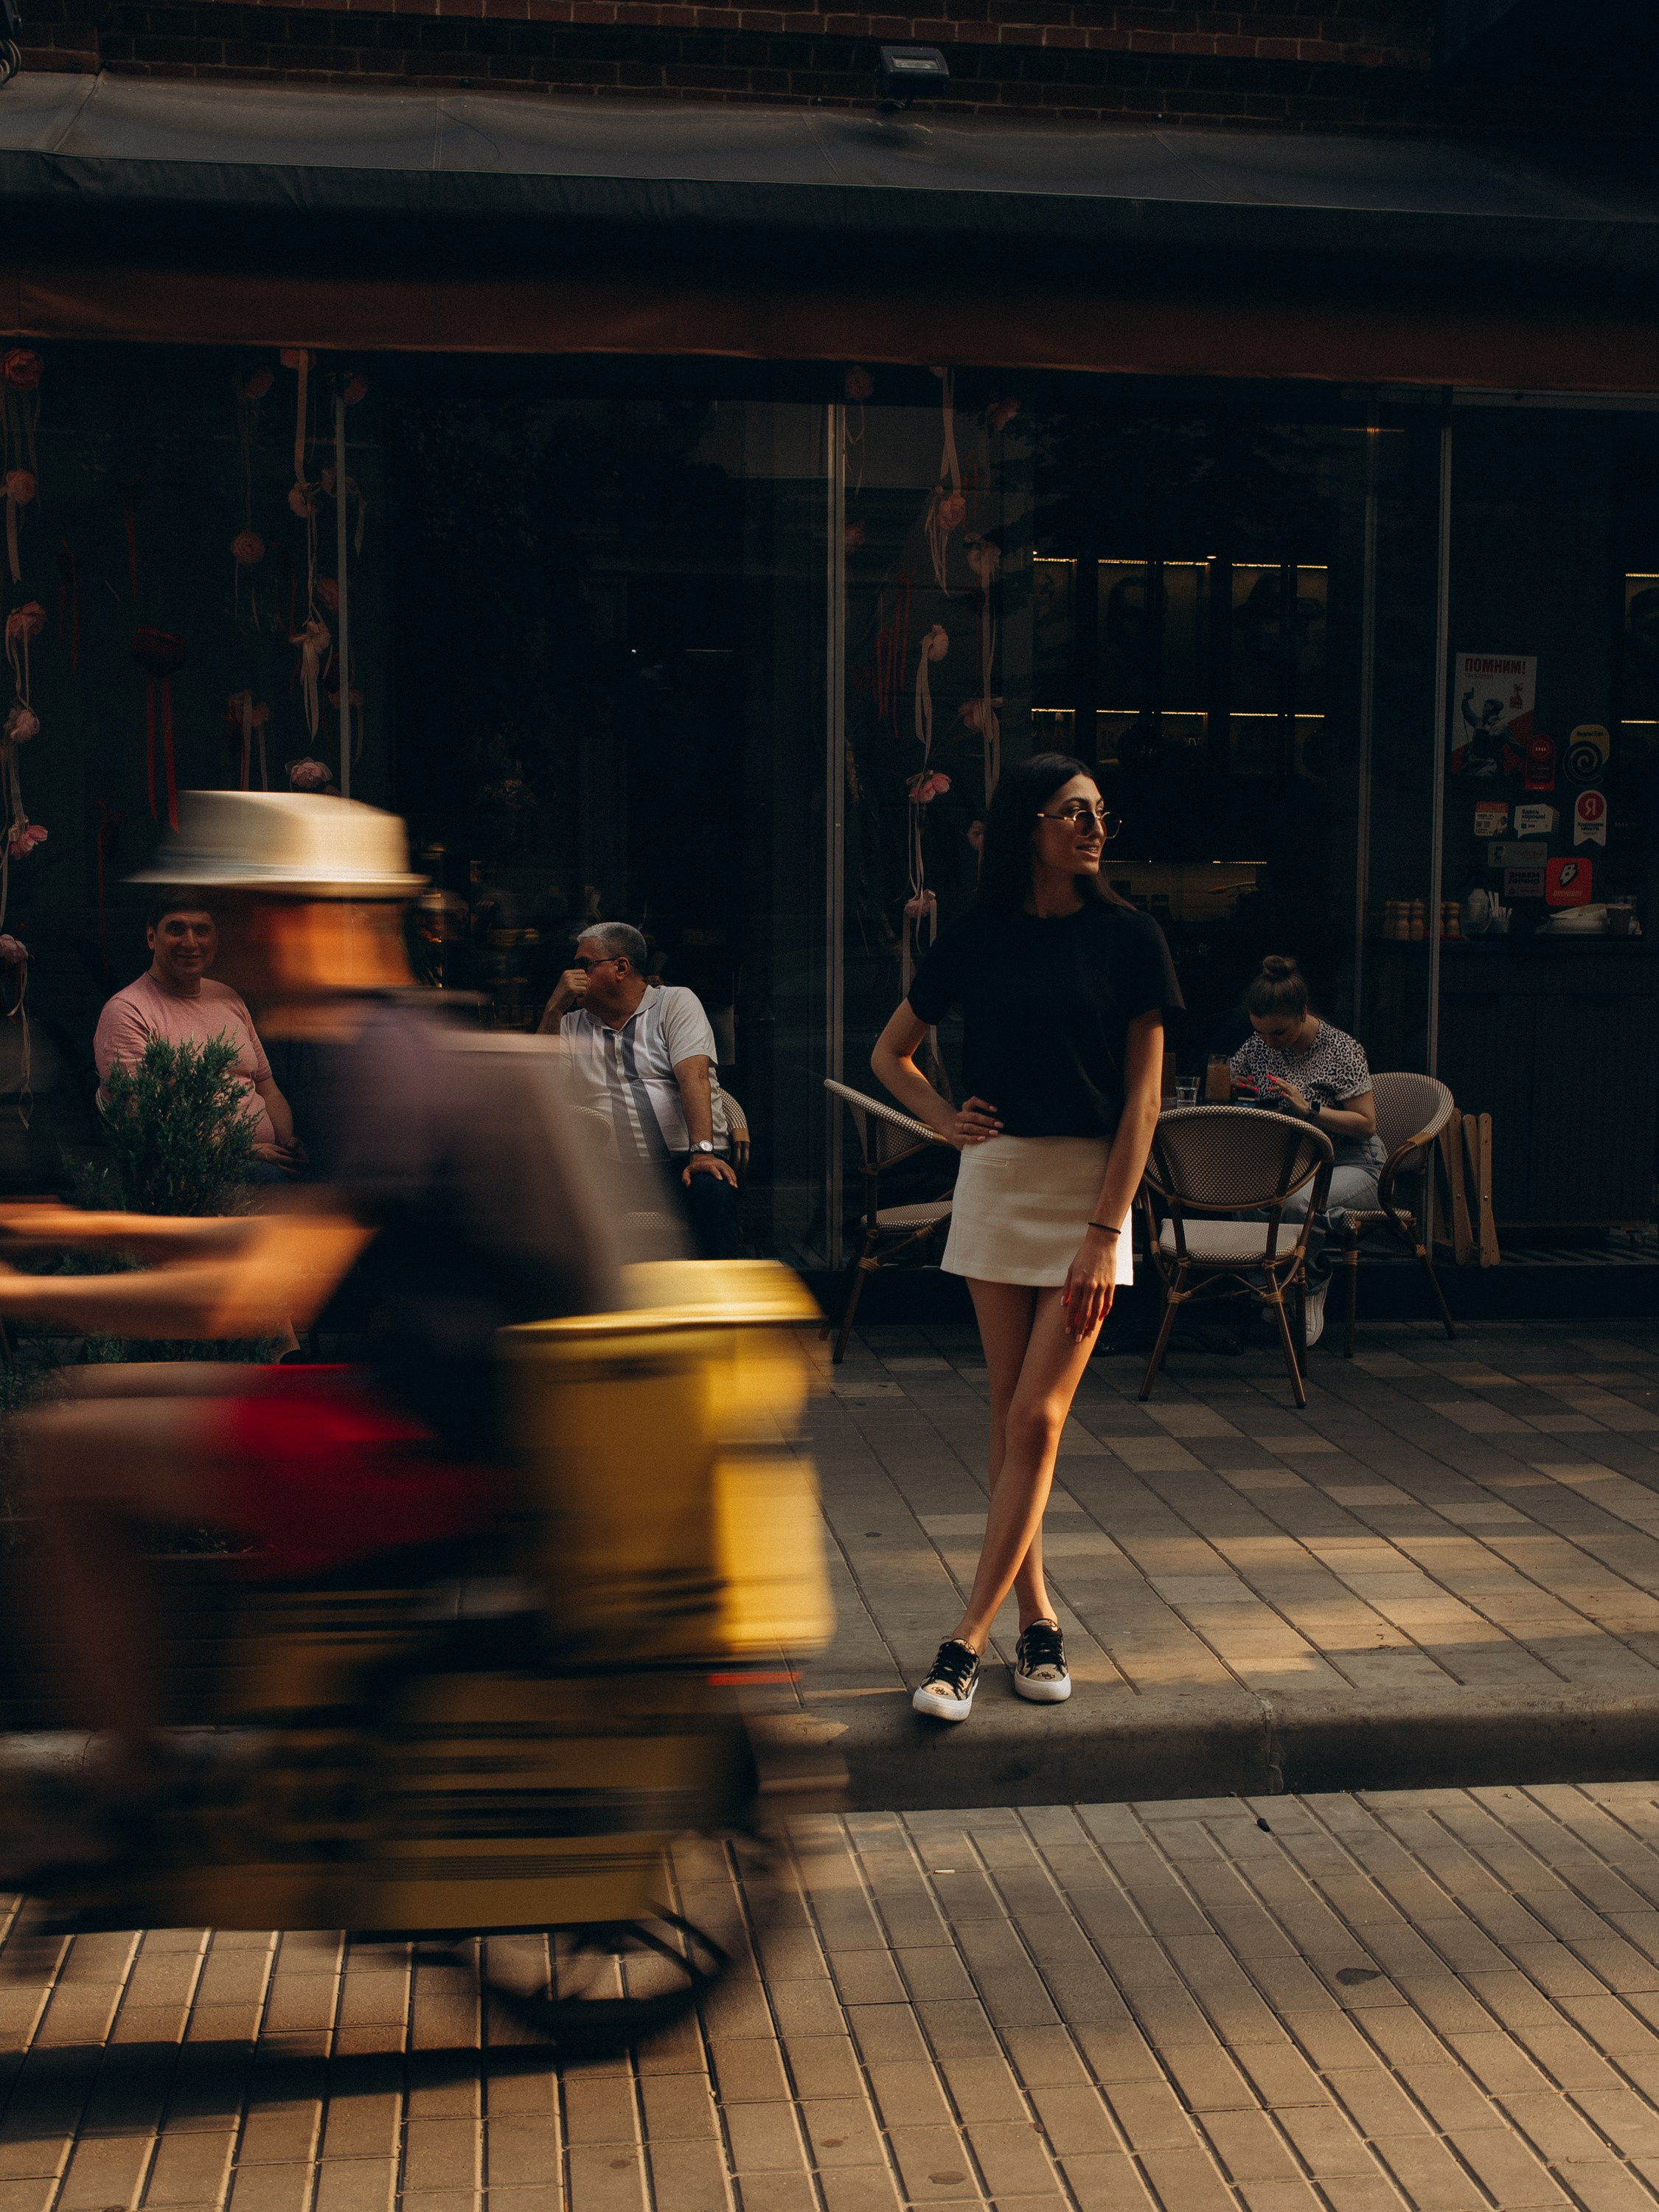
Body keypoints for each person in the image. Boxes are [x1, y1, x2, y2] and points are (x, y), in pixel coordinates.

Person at [0, 791, 619, 1877]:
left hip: (424, 1442)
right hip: (423, 1407)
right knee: (88, 1419)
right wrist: (86, 1229)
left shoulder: (378, 1057)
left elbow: (246, 1296)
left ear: (322, 915)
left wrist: (31, 1295)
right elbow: (281, 1248)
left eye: (254, 912)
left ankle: (136, 1778)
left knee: (70, 1446)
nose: (237, 938)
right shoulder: (380, 1039)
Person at [871, 754, 1181, 1724]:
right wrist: (938, 1117)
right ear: (1028, 829)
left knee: (1037, 1420)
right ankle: (1037, 1619)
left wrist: (1103, 1232)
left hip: (1090, 1193)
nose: (1091, 827)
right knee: (1013, 1420)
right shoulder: (977, 937)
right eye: (1071, 812)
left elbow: (1143, 1102)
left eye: (1099, 813)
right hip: (999, 1181)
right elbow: (890, 1052)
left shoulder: (1131, 938)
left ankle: (962, 1642)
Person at [537, 921, 740, 1262]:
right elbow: (543, 1087)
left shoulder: (675, 1003)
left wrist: (702, 1153)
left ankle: (719, 1307)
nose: (573, 975)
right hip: (611, 1171)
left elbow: (695, 1078)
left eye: (584, 964)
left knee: (713, 1194)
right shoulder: (571, 1025)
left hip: (683, 1163)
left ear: (621, 967)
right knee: (548, 1204)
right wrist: (553, 1009)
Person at [1228, 954, 1385, 1347]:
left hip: (1354, 1161)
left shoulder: (1341, 1049)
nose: (1268, 1043)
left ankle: (1310, 1284)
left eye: (1277, 1034)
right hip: (1292, 1161)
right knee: (1241, 1192)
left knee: (1298, 1204)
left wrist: (1309, 1108)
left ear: (1302, 1013)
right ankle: (1272, 1284)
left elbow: (1366, 1123)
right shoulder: (1259, 1046)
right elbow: (1237, 1080)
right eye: (1259, 1033)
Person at [94, 891, 305, 1180]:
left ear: (215, 941)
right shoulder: (128, 1011)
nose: (191, 943)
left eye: (202, 931)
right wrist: (247, 1149)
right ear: (151, 938)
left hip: (265, 1159)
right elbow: (144, 1123)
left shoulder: (227, 997)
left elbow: (267, 1089)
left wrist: (286, 1144)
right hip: (193, 1170)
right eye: (177, 929)